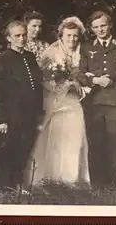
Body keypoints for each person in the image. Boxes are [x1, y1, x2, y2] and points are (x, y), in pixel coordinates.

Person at [27, 16, 91, 187]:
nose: (72, 39)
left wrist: (78, 85)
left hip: (74, 100)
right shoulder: (51, 52)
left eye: (75, 36)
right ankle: (50, 176)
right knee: (55, 136)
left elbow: (86, 75)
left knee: (75, 135)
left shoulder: (83, 52)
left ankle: (71, 178)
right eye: (68, 35)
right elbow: (42, 78)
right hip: (55, 99)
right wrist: (62, 86)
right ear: (61, 35)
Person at [0, 20, 44, 195]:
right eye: (17, 35)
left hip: (29, 114)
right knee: (9, 151)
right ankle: (2, 188)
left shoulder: (30, 57)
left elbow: (37, 87)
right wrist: (0, 119)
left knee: (24, 149)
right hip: (11, 115)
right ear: (9, 38)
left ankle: (16, 186)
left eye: (24, 35)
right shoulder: (3, 59)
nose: (21, 38)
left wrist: (39, 113)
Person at [78, 10, 116, 188]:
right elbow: (80, 73)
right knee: (96, 141)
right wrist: (95, 79)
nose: (100, 30)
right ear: (91, 29)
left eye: (103, 25)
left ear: (110, 25)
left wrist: (112, 77)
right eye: (96, 27)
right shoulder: (86, 48)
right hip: (95, 101)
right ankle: (99, 182)